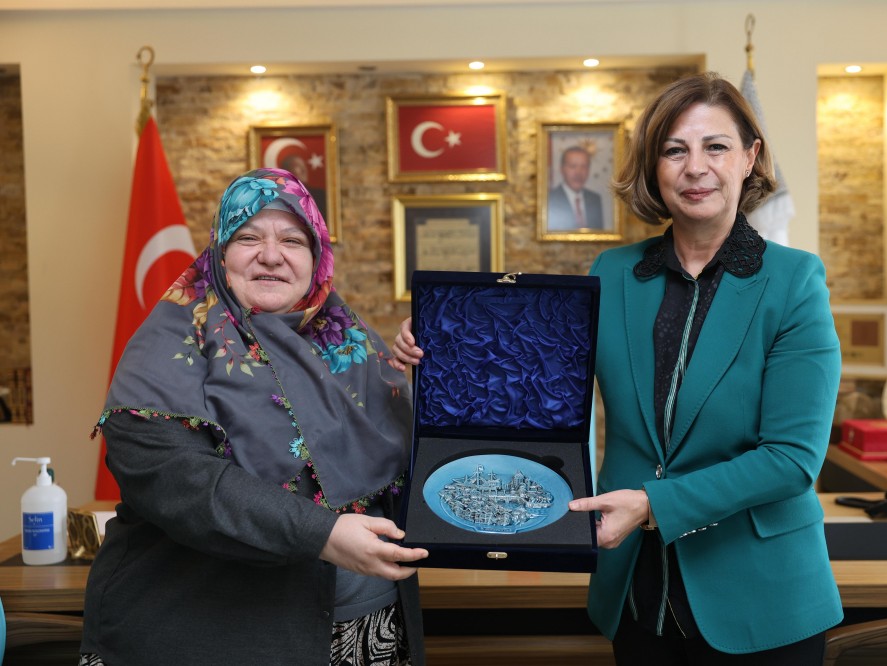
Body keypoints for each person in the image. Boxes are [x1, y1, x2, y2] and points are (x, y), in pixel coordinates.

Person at [391, 72, 843, 664]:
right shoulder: (613, 272)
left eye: (716, 147)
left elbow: (791, 459)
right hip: (636, 590)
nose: (695, 167)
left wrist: (654, 505)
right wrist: (441, 344)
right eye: (674, 150)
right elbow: (535, 378)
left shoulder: (794, 281)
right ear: (654, 166)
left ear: (750, 157)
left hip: (761, 597)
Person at [81, 168, 428, 666]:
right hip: (211, 640)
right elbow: (179, 482)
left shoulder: (353, 345)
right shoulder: (168, 347)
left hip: (371, 635)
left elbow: (419, 468)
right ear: (220, 252)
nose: (271, 255)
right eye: (248, 237)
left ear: (317, 258)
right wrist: (322, 534)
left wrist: (436, 371)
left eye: (293, 240)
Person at [546, 145, 606, 231]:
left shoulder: (595, 199)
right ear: (562, 169)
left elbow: (599, 235)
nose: (578, 173)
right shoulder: (550, 199)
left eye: (584, 167)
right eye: (573, 166)